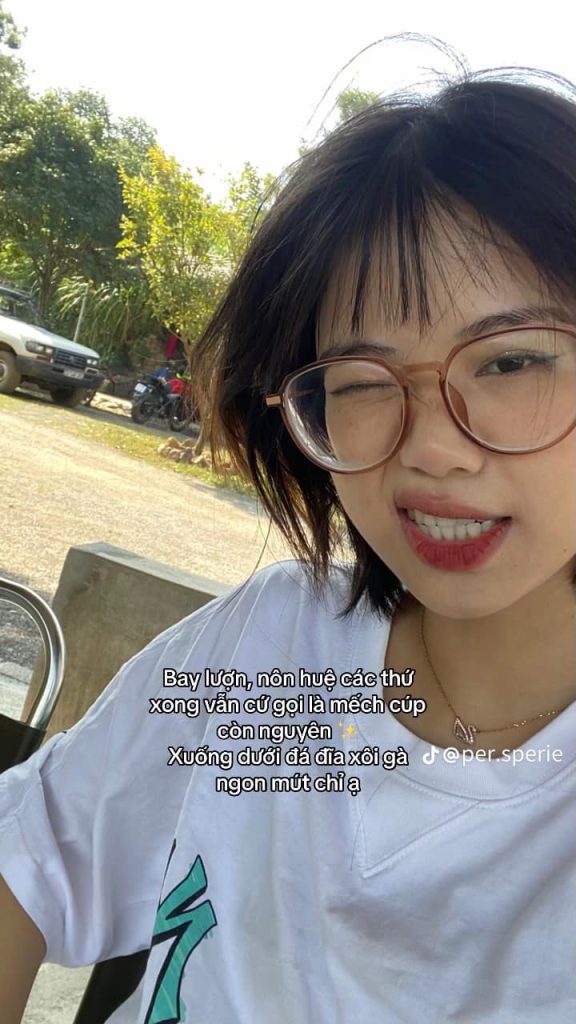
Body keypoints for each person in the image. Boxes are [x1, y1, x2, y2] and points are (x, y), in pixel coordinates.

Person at [2, 57, 576, 1024]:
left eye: (512, 361)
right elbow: (31, 854)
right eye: (361, 380)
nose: (431, 447)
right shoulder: (277, 651)